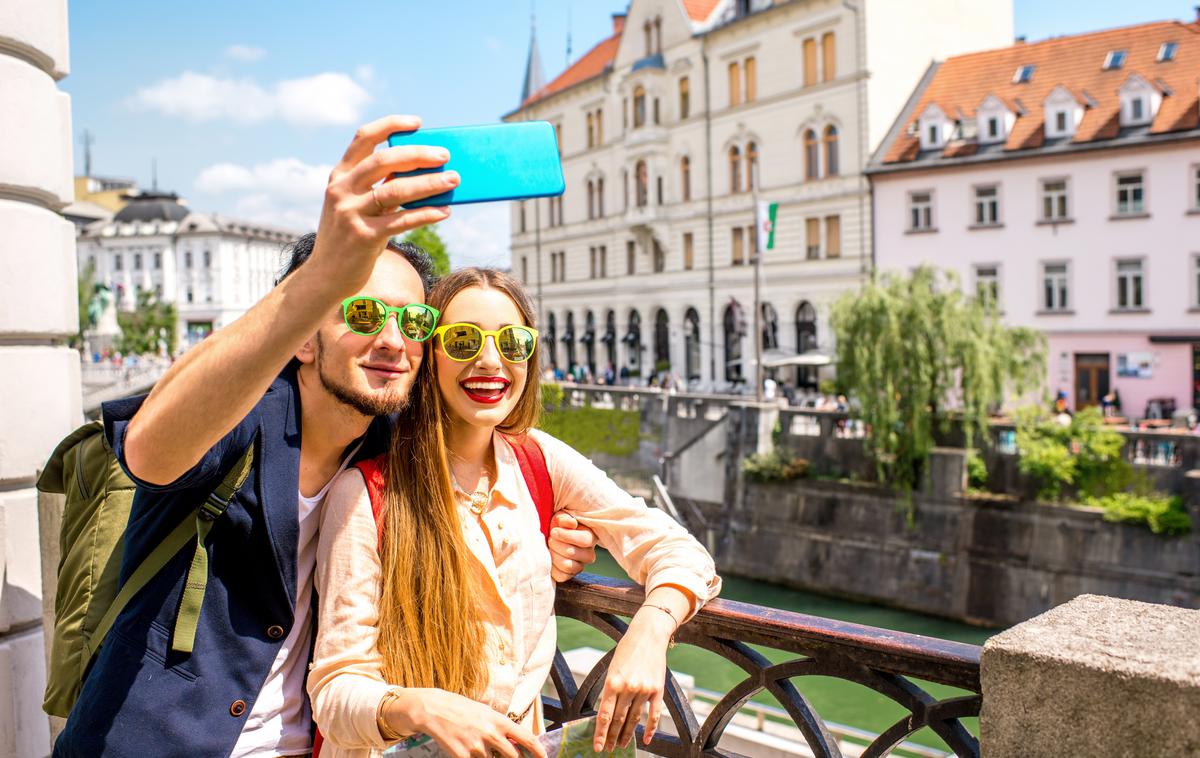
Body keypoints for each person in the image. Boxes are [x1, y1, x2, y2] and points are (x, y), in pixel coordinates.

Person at [53, 116, 597, 758]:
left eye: (413, 320)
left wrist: (543, 539)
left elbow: (482, 495)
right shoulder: (244, 413)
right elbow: (149, 450)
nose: (393, 340)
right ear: (306, 336)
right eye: (362, 313)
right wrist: (322, 276)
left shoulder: (392, 446)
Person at [309, 268, 721, 758]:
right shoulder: (365, 493)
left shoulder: (539, 461)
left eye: (512, 342)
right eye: (462, 340)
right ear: (429, 354)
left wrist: (649, 631)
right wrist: (421, 709)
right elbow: (334, 692)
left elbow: (677, 550)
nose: (490, 360)